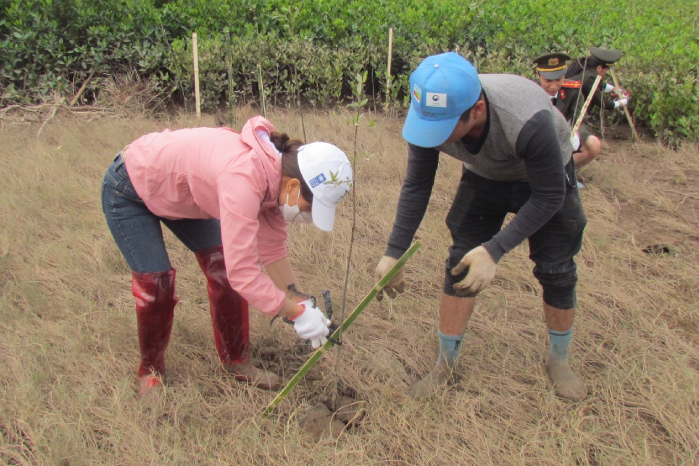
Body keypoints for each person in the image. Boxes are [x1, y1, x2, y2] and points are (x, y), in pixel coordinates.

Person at [375, 52, 588, 401]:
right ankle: (446, 363)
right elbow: (417, 184)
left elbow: (549, 195)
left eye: (444, 129)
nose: (435, 137)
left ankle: (559, 360)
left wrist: (495, 249)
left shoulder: (526, 119)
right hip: (485, 176)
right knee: (460, 261)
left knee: (556, 267)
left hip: (545, 177)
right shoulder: (429, 114)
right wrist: (394, 251)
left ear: (475, 110)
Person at [101, 115, 352, 397]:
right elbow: (243, 273)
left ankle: (236, 362)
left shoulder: (276, 182)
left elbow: (272, 249)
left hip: (185, 195)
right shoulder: (243, 178)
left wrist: (301, 302)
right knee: (157, 285)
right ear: (293, 187)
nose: (308, 215)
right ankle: (151, 371)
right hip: (131, 186)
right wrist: (293, 313)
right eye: (311, 206)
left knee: (221, 264)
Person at [557, 47, 630, 169]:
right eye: (606, 70)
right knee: (583, 144)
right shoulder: (589, 79)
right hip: (571, 116)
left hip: (569, 113)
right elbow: (603, 104)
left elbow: (600, 84)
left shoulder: (586, 71)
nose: (606, 73)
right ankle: (564, 171)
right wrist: (621, 103)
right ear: (600, 68)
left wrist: (615, 90)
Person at [533, 52, 601, 169]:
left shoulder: (572, 91)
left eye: (558, 80)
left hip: (562, 139)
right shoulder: (530, 92)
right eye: (548, 81)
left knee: (592, 144)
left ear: (564, 76)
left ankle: (566, 172)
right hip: (536, 143)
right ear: (539, 75)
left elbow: (581, 120)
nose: (553, 86)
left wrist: (577, 136)